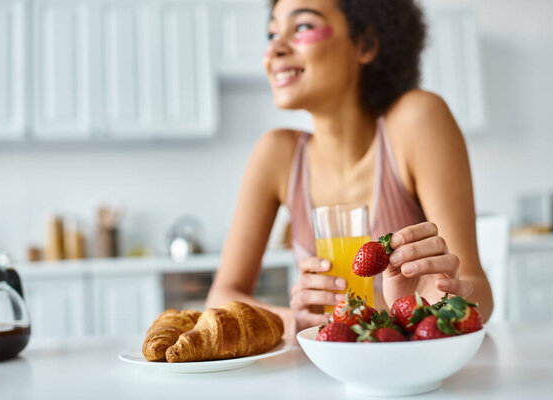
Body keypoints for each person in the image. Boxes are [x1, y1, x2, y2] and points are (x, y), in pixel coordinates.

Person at [206, 0, 493, 338]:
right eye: (272, 33)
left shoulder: (417, 120)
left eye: (301, 27)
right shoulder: (277, 154)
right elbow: (220, 297)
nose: (274, 50)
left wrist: (438, 301)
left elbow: (479, 293)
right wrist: (295, 320)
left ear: (366, 45)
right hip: (324, 373)